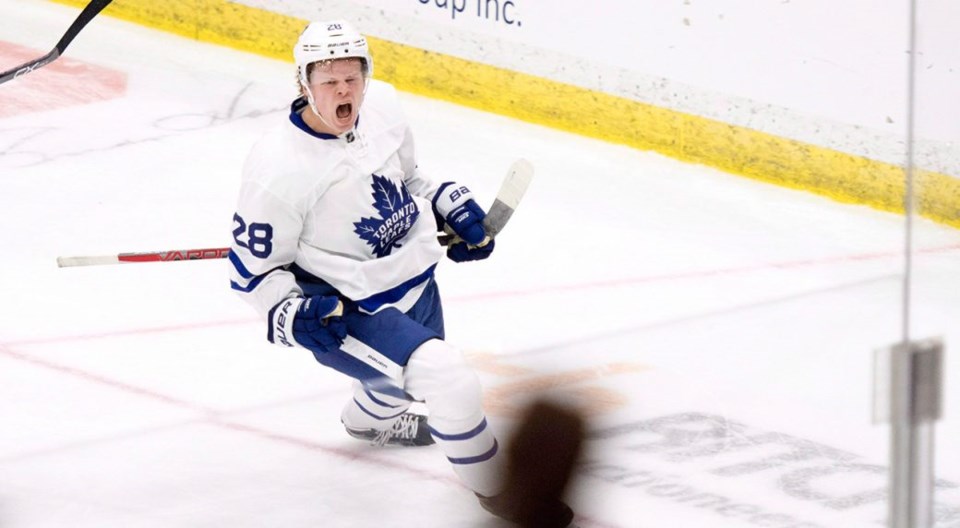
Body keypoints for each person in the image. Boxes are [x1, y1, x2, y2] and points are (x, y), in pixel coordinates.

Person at [227, 20, 573, 526]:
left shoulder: (384, 105)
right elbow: (253, 272)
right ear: (303, 84)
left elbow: (410, 177)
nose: (344, 90)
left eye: (352, 77)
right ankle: (504, 494)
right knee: (448, 379)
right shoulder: (277, 167)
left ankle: (367, 421)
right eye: (329, 81)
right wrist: (289, 314)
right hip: (350, 305)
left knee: (400, 383)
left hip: (412, 275)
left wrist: (447, 205)